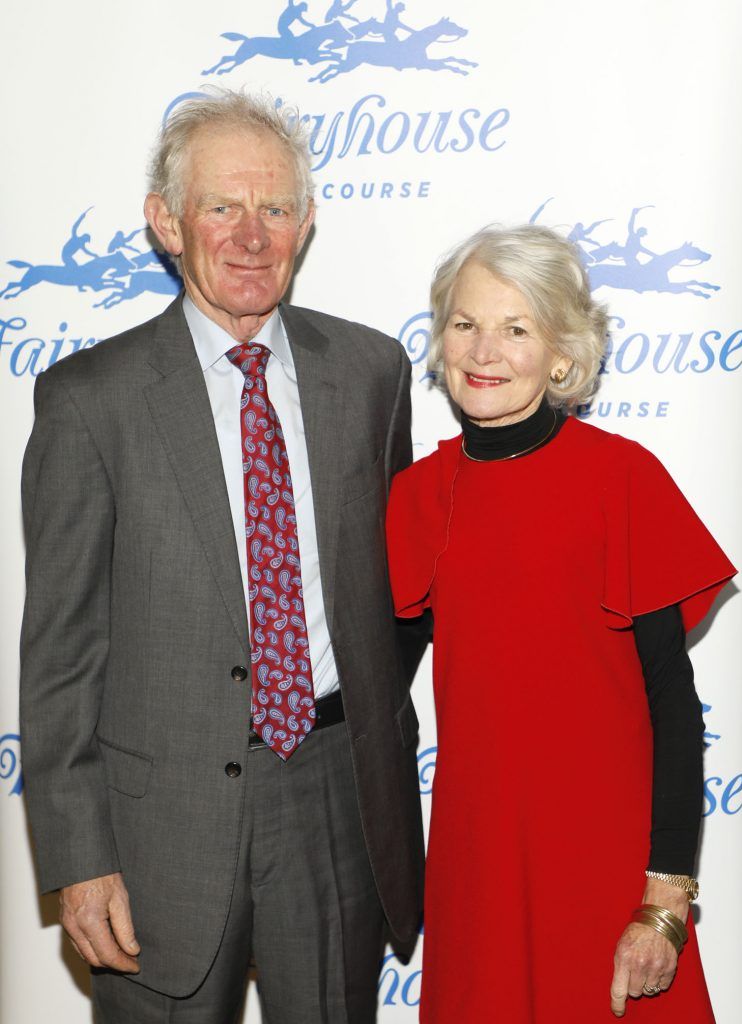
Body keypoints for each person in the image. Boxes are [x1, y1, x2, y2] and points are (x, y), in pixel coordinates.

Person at [20, 90, 424, 1024]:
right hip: (160, 819)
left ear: (308, 222)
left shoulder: (371, 375)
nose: (252, 235)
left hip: (336, 803)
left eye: (275, 208)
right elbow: (61, 659)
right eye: (221, 207)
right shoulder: (91, 401)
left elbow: (399, 600)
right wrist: (80, 860)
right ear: (166, 223)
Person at [385, 224, 736, 1022]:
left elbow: (673, 714)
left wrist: (664, 901)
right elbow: (370, 700)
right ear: (440, 341)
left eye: (517, 328)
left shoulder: (621, 480)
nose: (485, 350)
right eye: (466, 323)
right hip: (479, 873)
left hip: (607, 868)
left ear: (562, 354)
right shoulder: (416, 498)